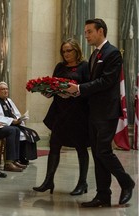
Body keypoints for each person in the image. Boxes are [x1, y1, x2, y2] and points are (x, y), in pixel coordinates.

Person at [66, 18, 135, 207]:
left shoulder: (113, 53)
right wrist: (71, 91)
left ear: (101, 31)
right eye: (86, 31)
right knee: (97, 153)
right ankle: (103, 195)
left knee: (104, 151)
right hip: (93, 112)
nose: (86, 35)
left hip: (107, 112)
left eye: (89, 31)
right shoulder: (94, 54)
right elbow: (90, 84)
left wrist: (79, 88)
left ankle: (126, 182)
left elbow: (106, 82)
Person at [32, 38, 90, 196]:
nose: (66, 54)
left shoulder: (85, 66)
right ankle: (48, 180)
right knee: (54, 145)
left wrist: (73, 92)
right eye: (63, 51)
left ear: (76, 50)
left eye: (69, 50)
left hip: (78, 113)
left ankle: (82, 182)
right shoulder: (59, 66)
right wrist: (47, 92)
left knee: (81, 147)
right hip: (60, 112)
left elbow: (87, 89)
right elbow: (53, 85)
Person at [0, 81, 39, 165]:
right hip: (4, 126)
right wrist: (12, 121)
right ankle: (17, 158)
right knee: (19, 133)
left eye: (6, 89)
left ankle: (23, 157)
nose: (5, 91)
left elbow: (16, 113)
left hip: (14, 124)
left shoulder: (9, 101)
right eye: (3, 89)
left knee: (30, 132)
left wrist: (19, 119)